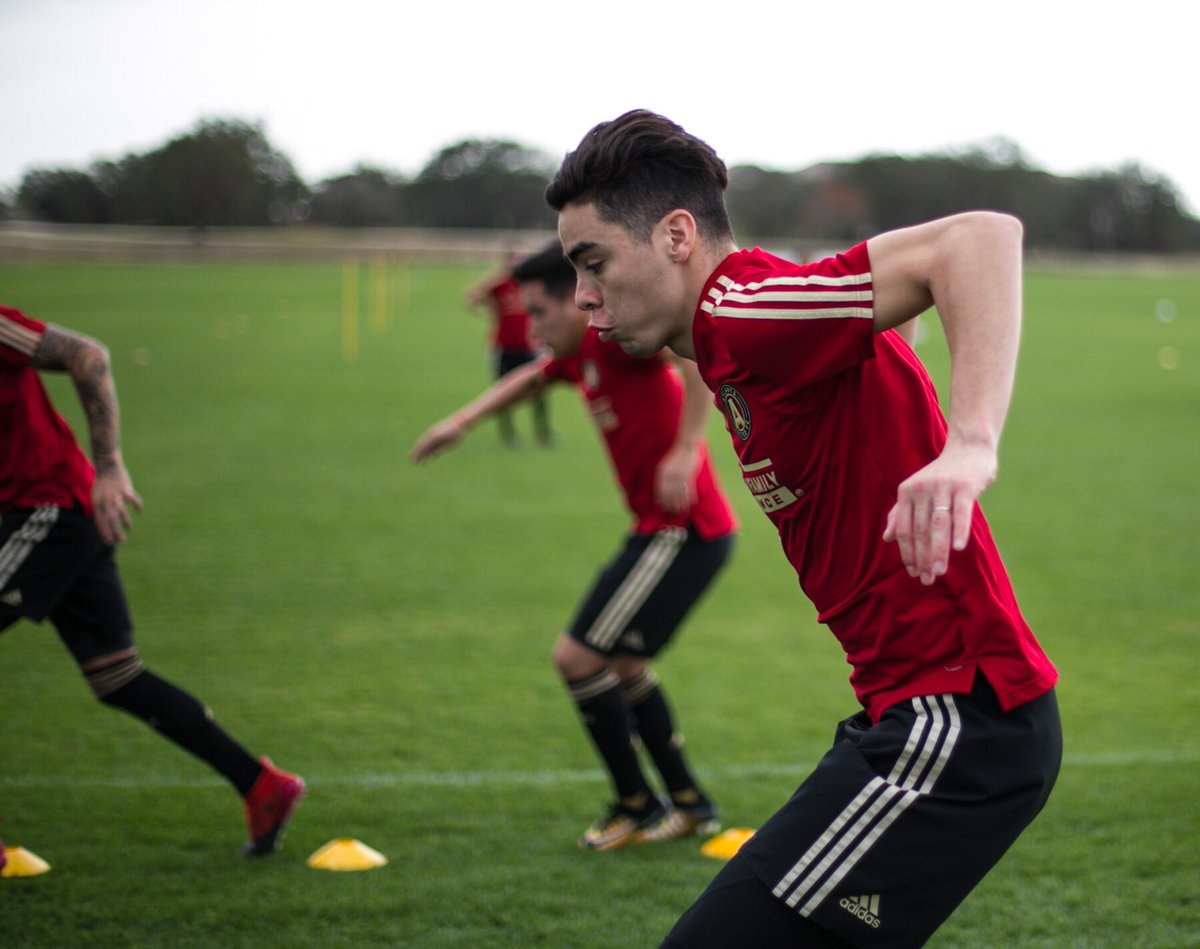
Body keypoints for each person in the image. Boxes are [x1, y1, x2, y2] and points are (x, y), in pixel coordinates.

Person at [546, 111, 1061, 947]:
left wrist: (970, 447)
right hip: (917, 716)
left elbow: (977, 239)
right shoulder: (726, 339)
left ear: (677, 235)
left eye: (593, 261)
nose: (582, 296)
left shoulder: (746, 308)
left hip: (958, 720)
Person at [411, 243, 739, 851]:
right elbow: (530, 378)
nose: (531, 328)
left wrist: (685, 447)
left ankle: (636, 806)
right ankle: (689, 804)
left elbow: (693, 357)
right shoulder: (577, 353)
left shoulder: (616, 339)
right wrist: (462, 421)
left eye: (538, 313)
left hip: (680, 530)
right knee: (621, 664)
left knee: (577, 658)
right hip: (665, 532)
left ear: (575, 301)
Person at [0, 305, 304, 858]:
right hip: (47, 513)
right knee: (116, 677)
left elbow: (85, 353)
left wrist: (110, 465)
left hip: (47, 507)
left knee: (117, 675)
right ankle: (261, 786)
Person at [463, 256, 553, 446]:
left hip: (530, 346)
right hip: (505, 346)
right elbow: (472, 297)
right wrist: (491, 309)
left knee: (539, 392)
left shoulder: (531, 286)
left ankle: (543, 432)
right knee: (503, 392)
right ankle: (508, 434)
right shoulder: (499, 286)